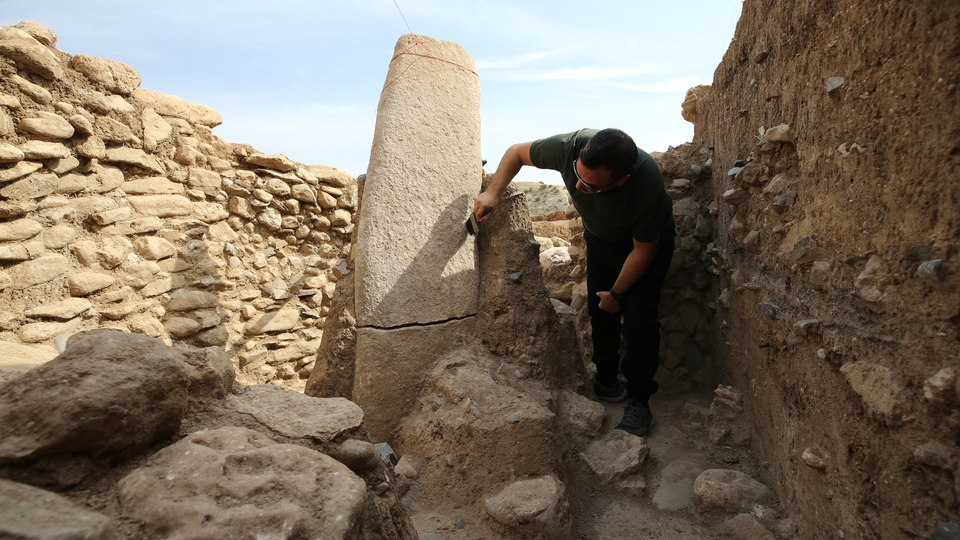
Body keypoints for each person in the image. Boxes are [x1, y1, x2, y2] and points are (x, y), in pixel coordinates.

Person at [473, 128, 675, 437]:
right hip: (601, 239)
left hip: (643, 247)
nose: (578, 187)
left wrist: (618, 293)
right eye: (576, 176)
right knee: (599, 310)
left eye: (590, 186)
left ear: (621, 181)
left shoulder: (645, 182)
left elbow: (643, 251)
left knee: (639, 319)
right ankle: (607, 383)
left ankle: (639, 402)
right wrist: (493, 193)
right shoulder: (570, 148)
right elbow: (516, 152)